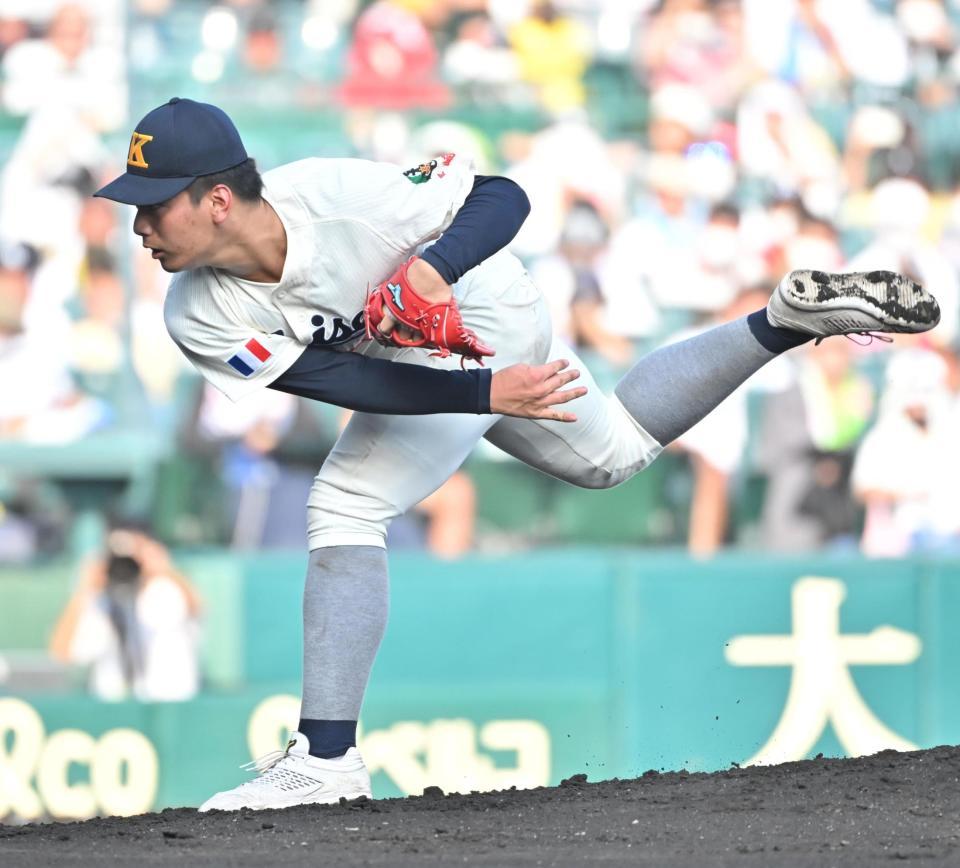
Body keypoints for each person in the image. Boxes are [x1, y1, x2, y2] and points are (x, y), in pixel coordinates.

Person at [93, 98, 940, 811]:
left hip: (484, 306)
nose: (139, 226)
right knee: (608, 455)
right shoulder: (194, 312)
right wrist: (481, 397)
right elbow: (340, 382)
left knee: (346, 504)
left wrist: (433, 275)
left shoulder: (337, 195)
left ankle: (324, 761)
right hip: (423, 370)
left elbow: (503, 198)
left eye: (153, 204)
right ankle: (782, 323)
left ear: (214, 199)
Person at [48, 524, 202, 701]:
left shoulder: (163, 591)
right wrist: (85, 589)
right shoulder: (100, 603)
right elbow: (62, 652)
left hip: (170, 708)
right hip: (117, 716)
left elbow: (196, 607)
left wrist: (159, 565)